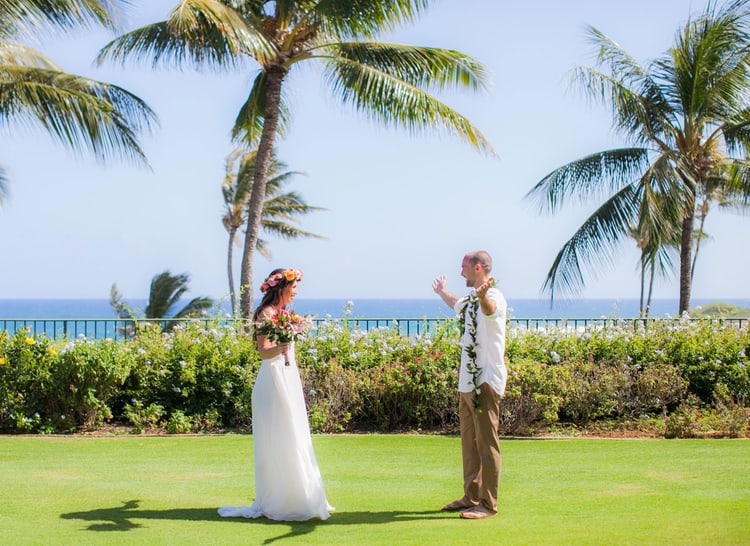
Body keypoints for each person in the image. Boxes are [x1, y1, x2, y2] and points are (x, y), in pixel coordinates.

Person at [218, 268, 333, 521]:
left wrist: (296, 329)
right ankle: (278, 499)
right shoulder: (265, 314)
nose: (295, 292)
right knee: (279, 436)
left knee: (295, 434)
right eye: (293, 287)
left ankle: (302, 494)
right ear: (280, 288)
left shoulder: (285, 314)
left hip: (288, 376)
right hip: (272, 379)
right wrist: (282, 345)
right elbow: (263, 352)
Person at [432, 250, 507, 520]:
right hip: (467, 381)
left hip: (485, 381)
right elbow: (457, 304)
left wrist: (484, 295)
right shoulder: (469, 299)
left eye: (463, 267)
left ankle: (488, 504)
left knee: (487, 443)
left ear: (478, 267)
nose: (460, 271)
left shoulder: (493, 296)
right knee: (469, 442)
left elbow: (490, 311)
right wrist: (442, 292)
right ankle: (471, 496)